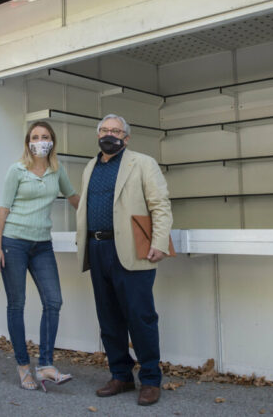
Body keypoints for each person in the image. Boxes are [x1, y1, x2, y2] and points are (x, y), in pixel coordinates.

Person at [75, 114, 173, 407]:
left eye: (116, 131)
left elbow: (160, 205)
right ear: (97, 135)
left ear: (126, 138)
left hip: (132, 249)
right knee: (109, 318)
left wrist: (158, 242)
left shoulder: (143, 163)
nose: (110, 134)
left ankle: (151, 380)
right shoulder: (90, 166)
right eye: (104, 130)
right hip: (97, 248)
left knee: (140, 317)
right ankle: (121, 375)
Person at [0, 121, 80, 392]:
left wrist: (98, 211)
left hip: (42, 245)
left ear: (52, 140)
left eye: (45, 136)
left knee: (53, 301)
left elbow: (74, 197)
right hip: (13, 243)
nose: (40, 140)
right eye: (35, 137)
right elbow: (3, 210)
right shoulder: (16, 170)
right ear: (28, 142)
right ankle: (22, 366)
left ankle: (45, 366)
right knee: (16, 304)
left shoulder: (57, 170)